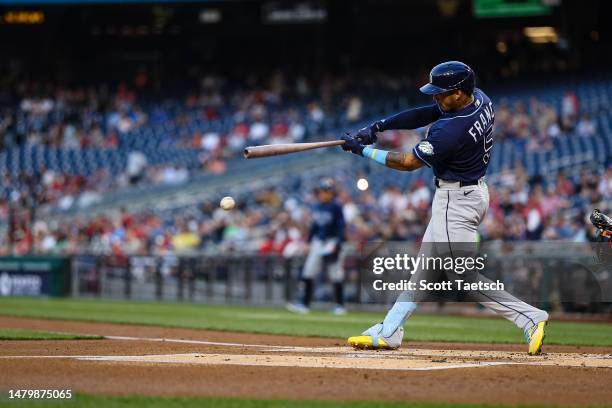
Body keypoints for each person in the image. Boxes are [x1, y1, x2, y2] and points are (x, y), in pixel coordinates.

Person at [339, 61, 549, 355]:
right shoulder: (480, 99)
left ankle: (529, 317)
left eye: (442, 93)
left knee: (462, 277)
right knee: (424, 271)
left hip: (457, 202)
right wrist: (378, 127)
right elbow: (425, 113)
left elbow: (408, 163)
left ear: (461, 93)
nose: (436, 98)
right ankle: (389, 330)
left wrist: (363, 150)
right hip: (468, 193)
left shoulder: (452, 129)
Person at [287, 178, 347, 315]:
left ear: (331, 193)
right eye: (321, 191)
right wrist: (308, 242)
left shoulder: (336, 207)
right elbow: (314, 227)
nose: (323, 194)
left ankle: (340, 306)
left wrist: (337, 244)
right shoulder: (316, 206)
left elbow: (341, 228)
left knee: (335, 274)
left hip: (331, 241)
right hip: (318, 242)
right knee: (308, 272)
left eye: (326, 191)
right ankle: (304, 305)